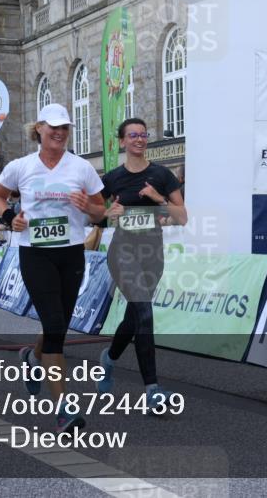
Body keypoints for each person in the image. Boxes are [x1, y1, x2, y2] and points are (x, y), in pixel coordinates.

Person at [0, 103, 106, 433]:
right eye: (53, 126)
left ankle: (31, 357)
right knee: (54, 324)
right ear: (39, 128)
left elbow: (101, 211)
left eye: (65, 127)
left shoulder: (81, 168)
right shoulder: (20, 167)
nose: (59, 132)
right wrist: (10, 217)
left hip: (71, 253)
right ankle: (64, 409)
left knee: (60, 324)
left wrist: (90, 207)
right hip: (35, 253)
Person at [97, 118, 187, 408]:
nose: (139, 139)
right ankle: (152, 390)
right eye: (132, 135)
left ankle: (109, 358)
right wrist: (109, 211)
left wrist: (157, 198)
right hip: (122, 253)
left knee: (135, 317)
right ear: (122, 141)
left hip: (152, 254)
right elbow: (93, 213)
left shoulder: (162, 175)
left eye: (143, 135)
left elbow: (182, 216)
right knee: (145, 313)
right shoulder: (112, 178)